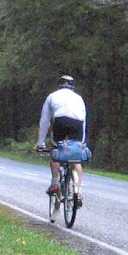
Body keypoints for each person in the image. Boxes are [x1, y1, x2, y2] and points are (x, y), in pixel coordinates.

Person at [36, 74, 87, 205]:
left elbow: (45, 121)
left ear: (59, 85)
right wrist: (81, 145)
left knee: (56, 151)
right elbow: (84, 121)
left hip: (60, 121)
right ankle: (78, 191)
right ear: (73, 87)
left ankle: (54, 183)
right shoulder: (79, 98)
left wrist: (40, 143)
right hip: (77, 123)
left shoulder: (52, 96)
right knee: (76, 159)